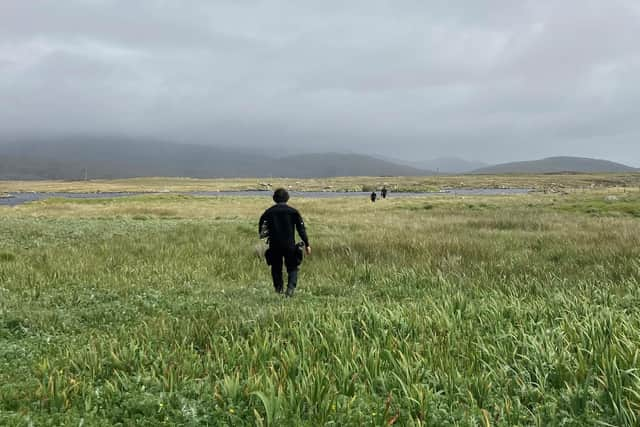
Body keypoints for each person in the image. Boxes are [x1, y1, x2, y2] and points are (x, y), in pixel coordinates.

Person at [259, 188, 311, 297]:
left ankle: (279, 290)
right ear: (287, 198)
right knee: (292, 267)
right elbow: (301, 229)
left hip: (274, 245)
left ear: (274, 199)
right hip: (289, 245)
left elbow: (261, 230)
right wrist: (307, 244)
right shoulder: (293, 212)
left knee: (276, 268)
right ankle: (290, 289)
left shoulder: (268, 212)